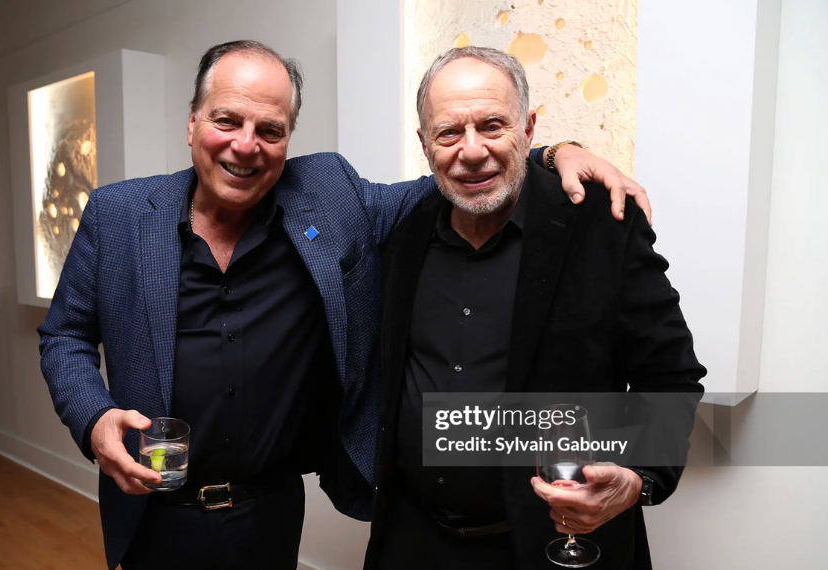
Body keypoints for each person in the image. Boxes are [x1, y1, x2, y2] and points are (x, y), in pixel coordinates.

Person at [37, 40, 652, 570]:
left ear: (288, 138)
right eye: (227, 121)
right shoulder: (118, 217)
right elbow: (63, 335)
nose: (245, 146)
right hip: (155, 504)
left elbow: (463, 173)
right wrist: (93, 419)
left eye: (271, 130)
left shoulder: (329, 195)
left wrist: (556, 151)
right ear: (193, 121)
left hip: (270, 508)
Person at [364, 47, 705, 570]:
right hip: (414, 539)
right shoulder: (401, 232)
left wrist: (639, 478)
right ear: (424, 145)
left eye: (493, 125)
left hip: (553, 547)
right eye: (449, 132)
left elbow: (672, 375)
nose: (471, 151)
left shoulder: (602, 225)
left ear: (528, 129)